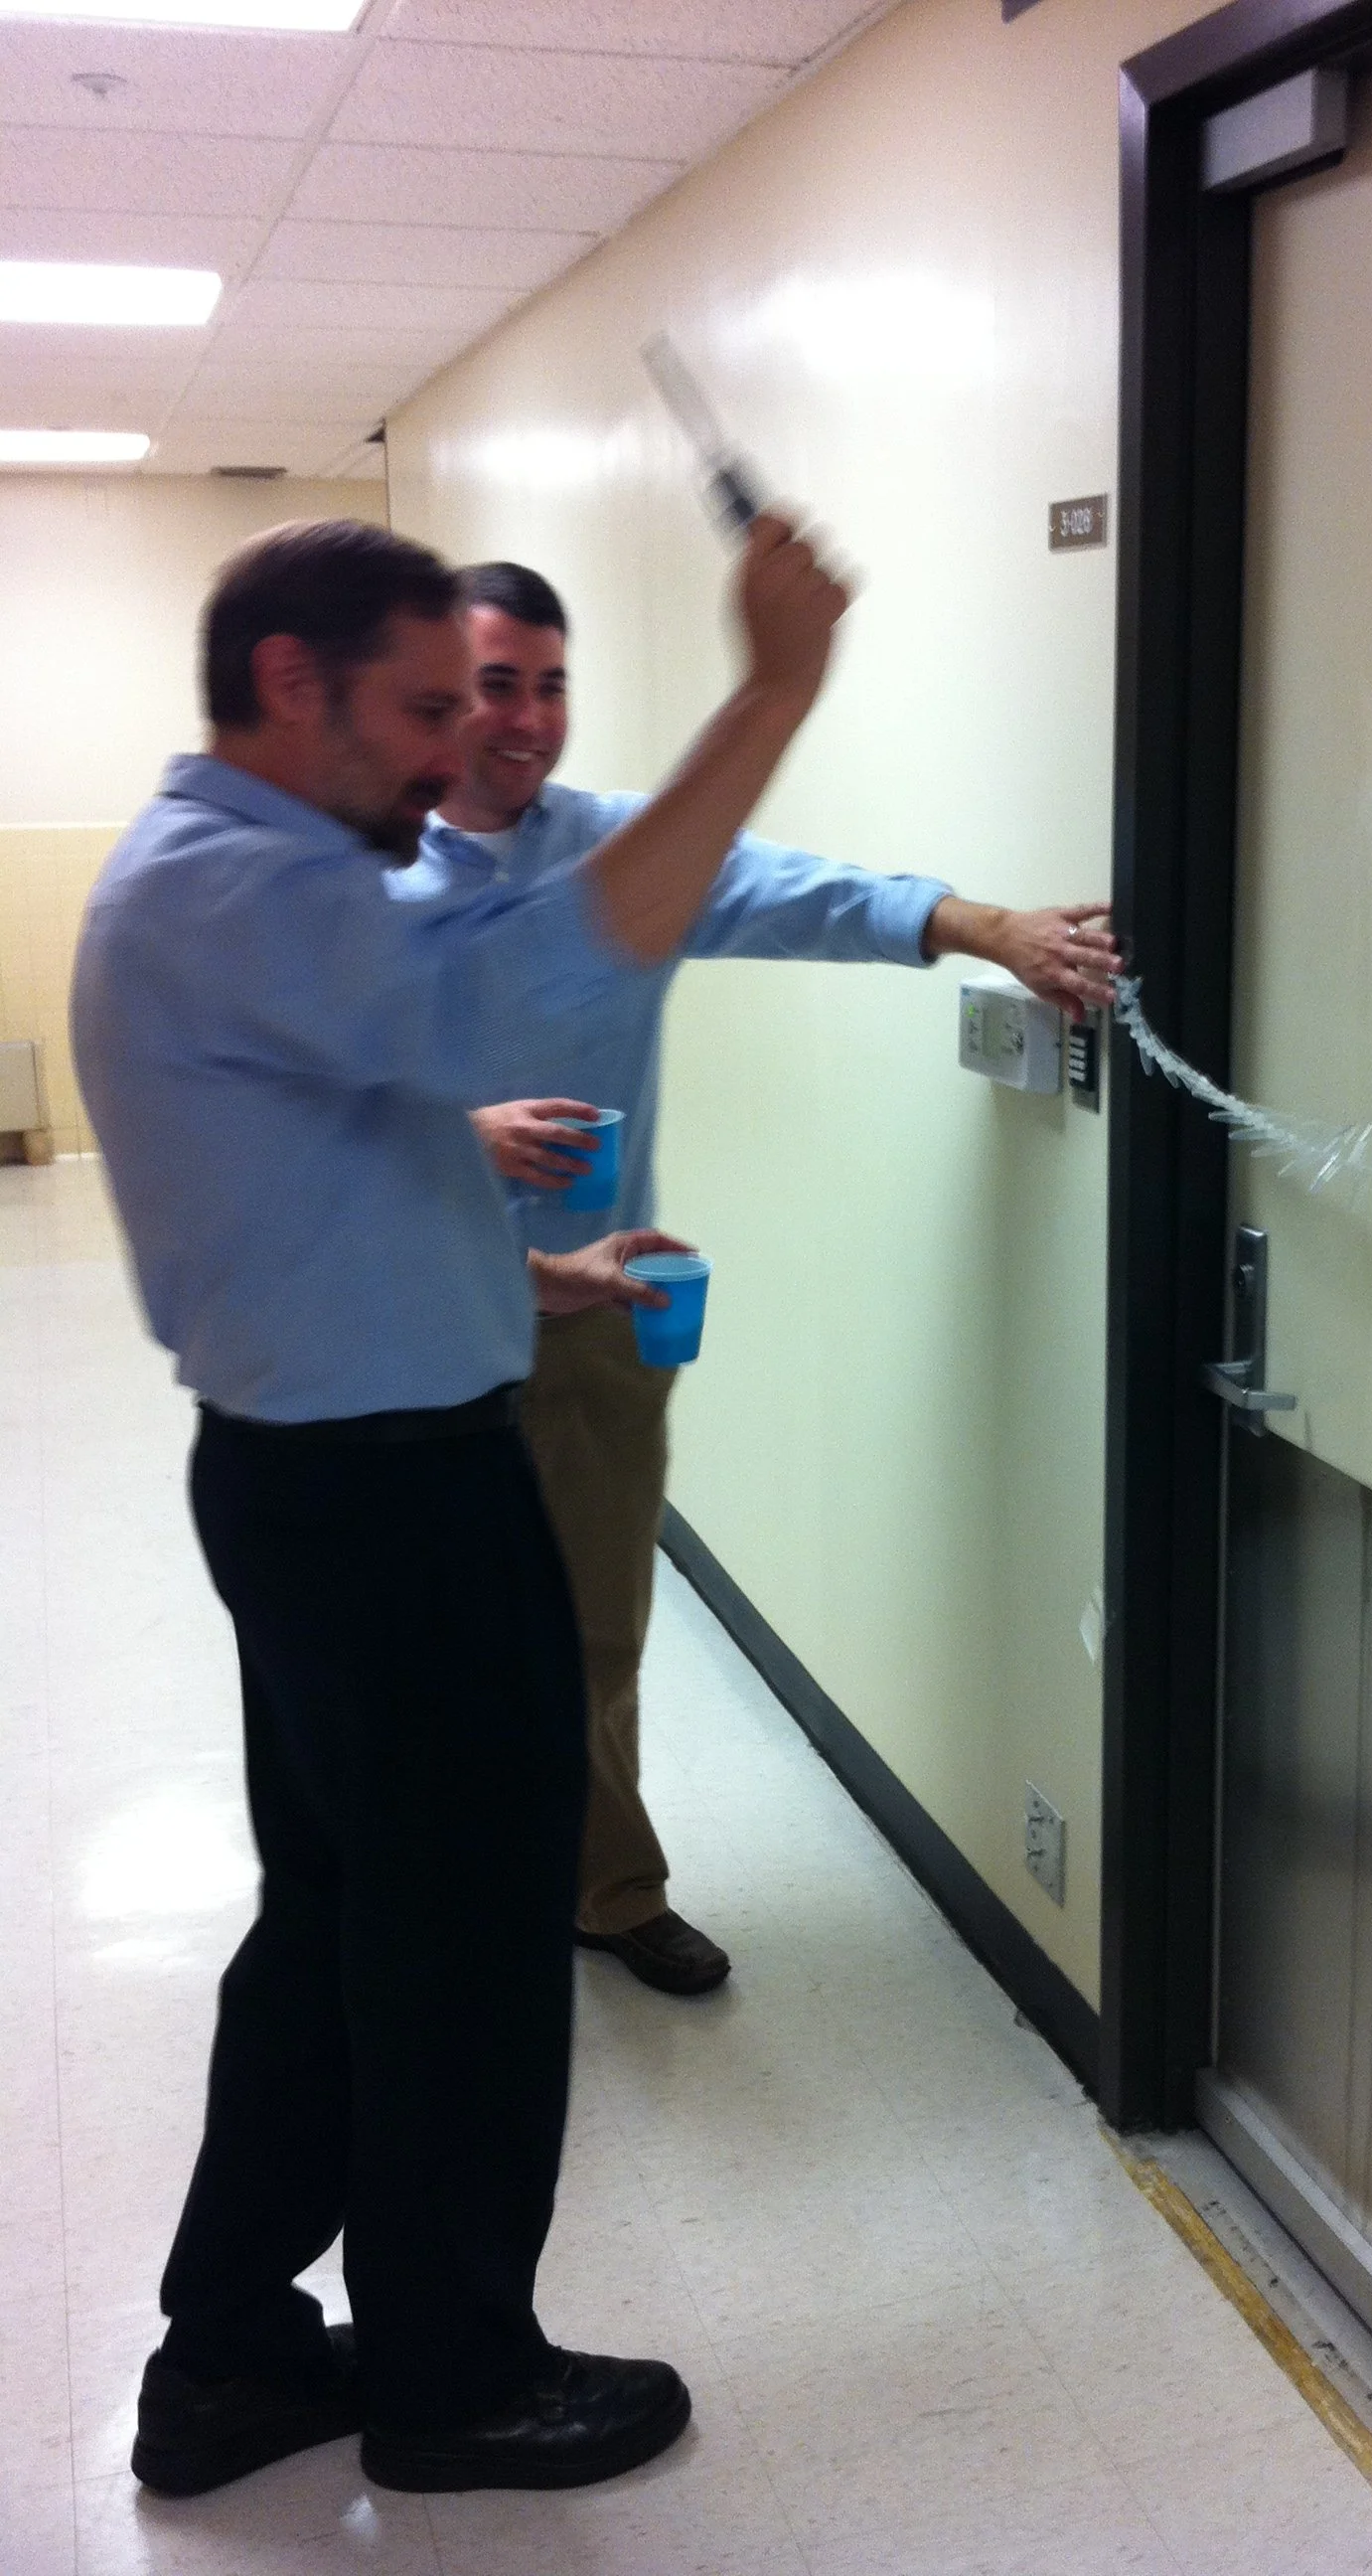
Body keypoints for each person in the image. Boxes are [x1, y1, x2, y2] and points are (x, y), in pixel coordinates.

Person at [71, 512, 846, 2497]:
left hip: (336, 1475)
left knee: (340, 1930)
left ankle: (235, 2355)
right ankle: (452, 2376)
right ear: (286, 686)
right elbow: (521, 985)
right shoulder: (240, 888)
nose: (449, 757)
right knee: (461, 1949)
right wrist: (769, 694)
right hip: (389, 1509)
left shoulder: (246, 884)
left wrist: (520, 1262)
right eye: (422, 708)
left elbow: (318, 1174)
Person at [395, 560, 1122, 1998]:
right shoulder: (356, 875)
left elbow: (801, 893)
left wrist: (994, 931)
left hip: (593, 1316)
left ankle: (605, 1888)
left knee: (595, 1629)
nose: (527, 717)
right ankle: (436, 1906)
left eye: (550, 684)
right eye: (494, 684)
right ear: (430, 692)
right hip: (405, 1328)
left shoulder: (617, 851)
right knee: (424, 1641)